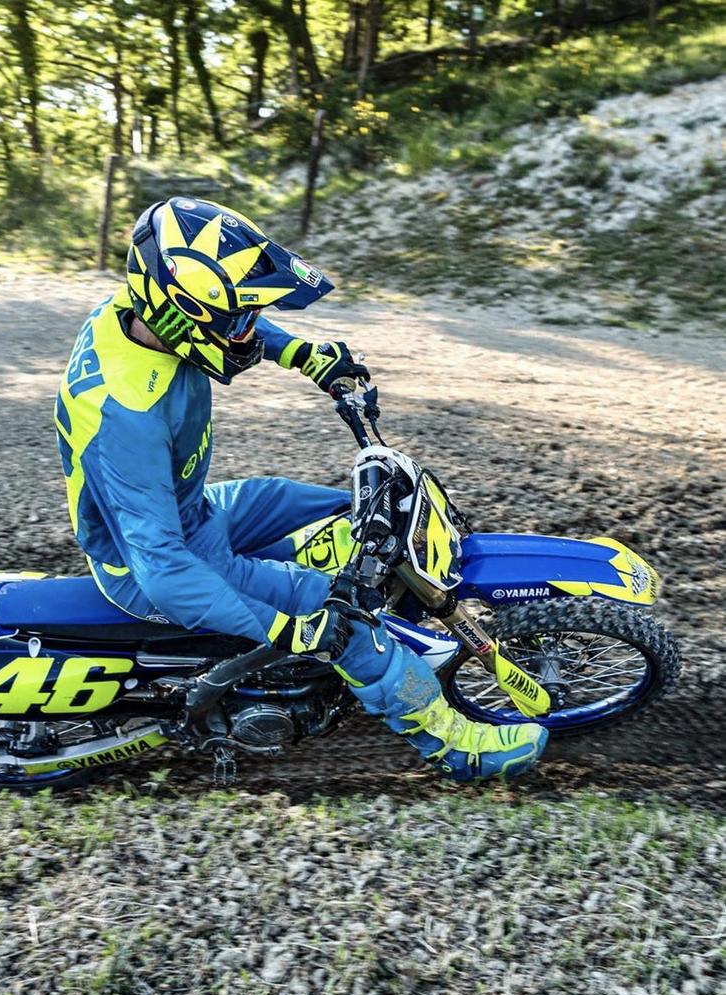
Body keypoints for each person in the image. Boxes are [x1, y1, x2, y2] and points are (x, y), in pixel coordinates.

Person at [54, 197, 547, 782]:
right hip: (164, 563)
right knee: (344, 628)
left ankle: (381, 627)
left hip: (194, 510)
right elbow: (163, 570)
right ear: (181, 314)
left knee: (356, 513)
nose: (247, 333)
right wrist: (291, 628)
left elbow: (233, 318)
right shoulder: (126, 416)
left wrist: (307, 355)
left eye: (248, 317)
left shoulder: (133, 311)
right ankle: (455, 746)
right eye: (236, 322)